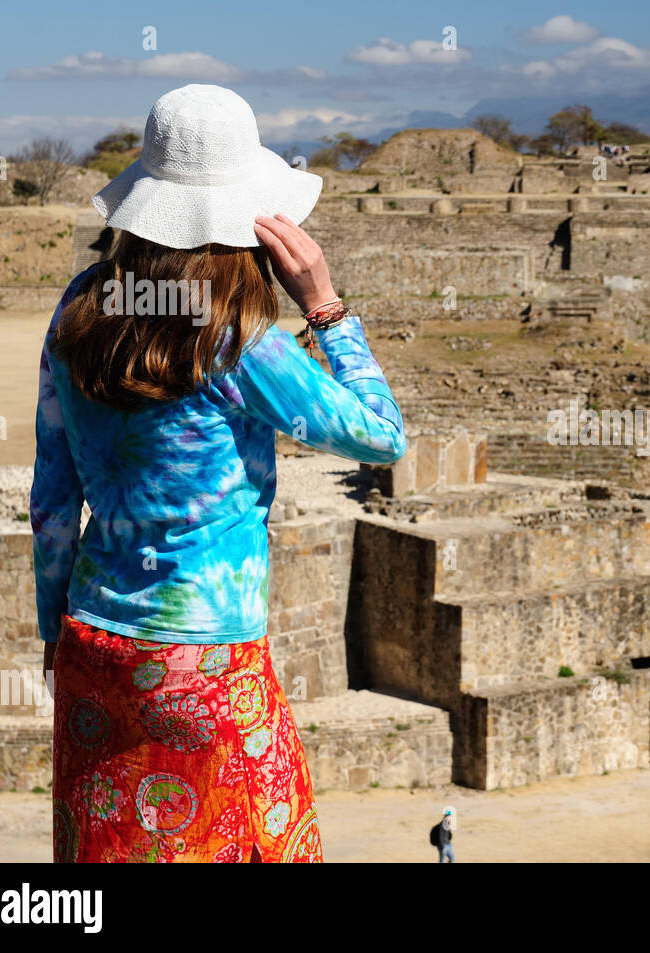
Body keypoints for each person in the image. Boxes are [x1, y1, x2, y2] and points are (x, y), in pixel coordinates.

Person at [34, 84, 408, 863]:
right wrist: (327, 308)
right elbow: (380, 436)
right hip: (205, 658)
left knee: (111, 845)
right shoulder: (238, 342)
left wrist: (52, 635)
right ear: (251, 224)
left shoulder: (77, 310)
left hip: (95, 642)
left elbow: (52, 503)